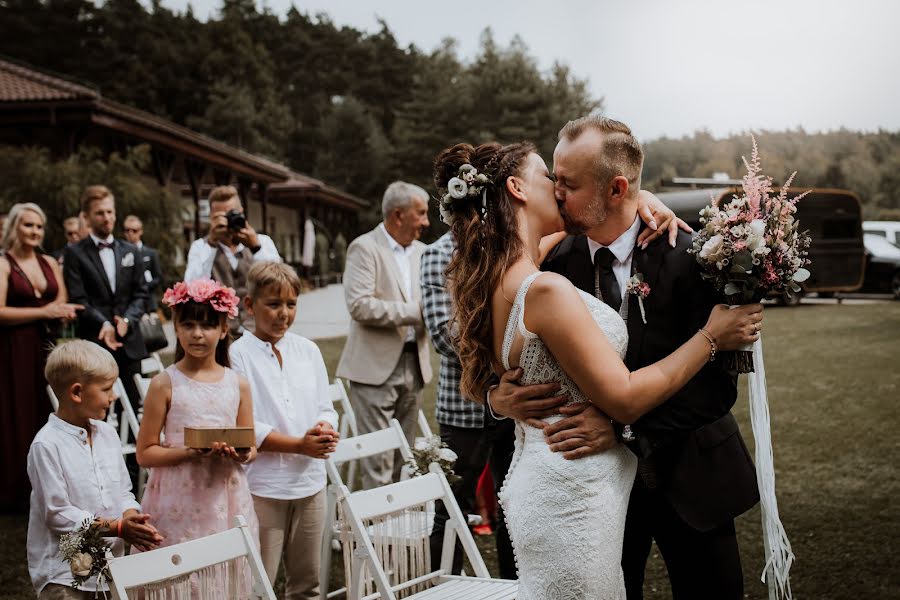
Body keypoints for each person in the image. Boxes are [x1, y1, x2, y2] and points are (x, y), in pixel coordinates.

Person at [432, 135, 762, 598]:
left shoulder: (688, 251)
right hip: (578, 478)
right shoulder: (549, 268)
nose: (559, 190)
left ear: (615, 189)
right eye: (552, 178)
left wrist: (628, 431)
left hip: (689, 473)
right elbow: (513, 363)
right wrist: (496, 397)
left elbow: (717, 384)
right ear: (518, 190)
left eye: (568, 181)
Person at [136, 278, 259, 596]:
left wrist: (240, 453)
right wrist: (190, 452)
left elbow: (251, 447)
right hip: (178, 498)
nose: (197, 334)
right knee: (180, 578)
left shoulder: (238, 384)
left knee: (220, 575)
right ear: (175, 328)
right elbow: (145, 453)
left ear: (222, 330)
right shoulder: (164, 383)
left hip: (225, 495)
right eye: (188, 324)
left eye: (207, 326)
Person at [229, 261, 339, 599]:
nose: (283, 314)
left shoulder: (307, 350)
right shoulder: (238, 355)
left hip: (310, 482)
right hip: (265, 486)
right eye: (273, 304)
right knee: (258, 583)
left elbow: (325, 405)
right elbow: (245, 426)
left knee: (307, 583)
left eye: (291, 304)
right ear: (249, 305)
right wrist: (298, 445)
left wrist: (324, 428)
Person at [27, 340, 162, 599]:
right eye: (107, 389)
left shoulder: (108, 435)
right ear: (77, 393)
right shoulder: (46, 445)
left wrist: (131, 516)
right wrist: (118, 528)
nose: (113, 396)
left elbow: (123, 490)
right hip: (65, 575)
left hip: (109, 566)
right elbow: (58, 514)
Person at [420, 230, 517, 578]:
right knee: (451, 509)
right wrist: (510, 344)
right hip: (463, 405)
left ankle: (515, 589)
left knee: (515, 508)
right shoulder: (437, 254)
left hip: (515, 407)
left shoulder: (510, 242)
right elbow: (446, 335)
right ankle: (442, 587)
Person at [336, 181, 433, 489]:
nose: (427, 222)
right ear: (398, 215)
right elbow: (360, 305)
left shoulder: (425, 253)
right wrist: (419, 312)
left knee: (403, 458)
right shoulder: (365, 248)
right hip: (373, 369)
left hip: (414, 365)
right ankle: (376, 535)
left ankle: (398, 533)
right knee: (377, 462)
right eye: (421, 214)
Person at [0, 203, 82, 513]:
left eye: (39, 226)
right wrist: (43, 312)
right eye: (28, 225)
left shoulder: (49, 261)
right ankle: (16, 491)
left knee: (47, 407)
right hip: (13, 347)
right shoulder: (4, 264)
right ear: (14, 229)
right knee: (17, 411)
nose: (34, 231)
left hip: (47, 345)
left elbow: (59, 298)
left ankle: (53, 484)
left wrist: (59, 312)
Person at [63, 185, 149, 409]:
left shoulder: (131, 251)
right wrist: (104, 323)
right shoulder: (75, 253)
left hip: (129, 341)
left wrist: (128, 320)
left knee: (132, 406)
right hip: (95, 340)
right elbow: (78, 297)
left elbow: (141, 293)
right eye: (100, 213)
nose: (106, 217)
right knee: (96, 409)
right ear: (87, 217)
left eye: (110, 212)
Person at [184, 185, 281, 338]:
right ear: (211, 217)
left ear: (242, 212)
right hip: (219, 333)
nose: (227, 221)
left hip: (259, 330)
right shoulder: (201, 247)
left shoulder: (263, 242)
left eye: (231, 214)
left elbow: (280, 283)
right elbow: (191, 287)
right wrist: (211, 244)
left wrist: (256, 247)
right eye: (220, 216)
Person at [123, 215, 162, 313]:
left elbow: (158, 277)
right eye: (127, 230)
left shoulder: (151, 253)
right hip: (127, 305)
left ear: (141, 231)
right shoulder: (121, 254)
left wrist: (145, 287)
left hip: (148, 302)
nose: (130, 233)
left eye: (134, 230)